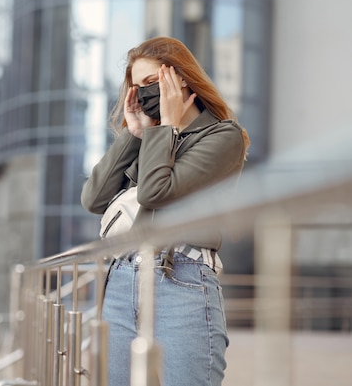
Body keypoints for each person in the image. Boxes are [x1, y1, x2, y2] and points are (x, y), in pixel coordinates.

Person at [81, 36, 250, 386]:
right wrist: (134, 134)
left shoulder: (222, 137)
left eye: (151, 83)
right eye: (136, 86)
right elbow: (94, 199)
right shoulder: (150, 138)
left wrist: (166, 129)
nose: (143, 94)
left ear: (181, 79)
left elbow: (158, 193)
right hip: (123, 279)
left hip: (181, 279)